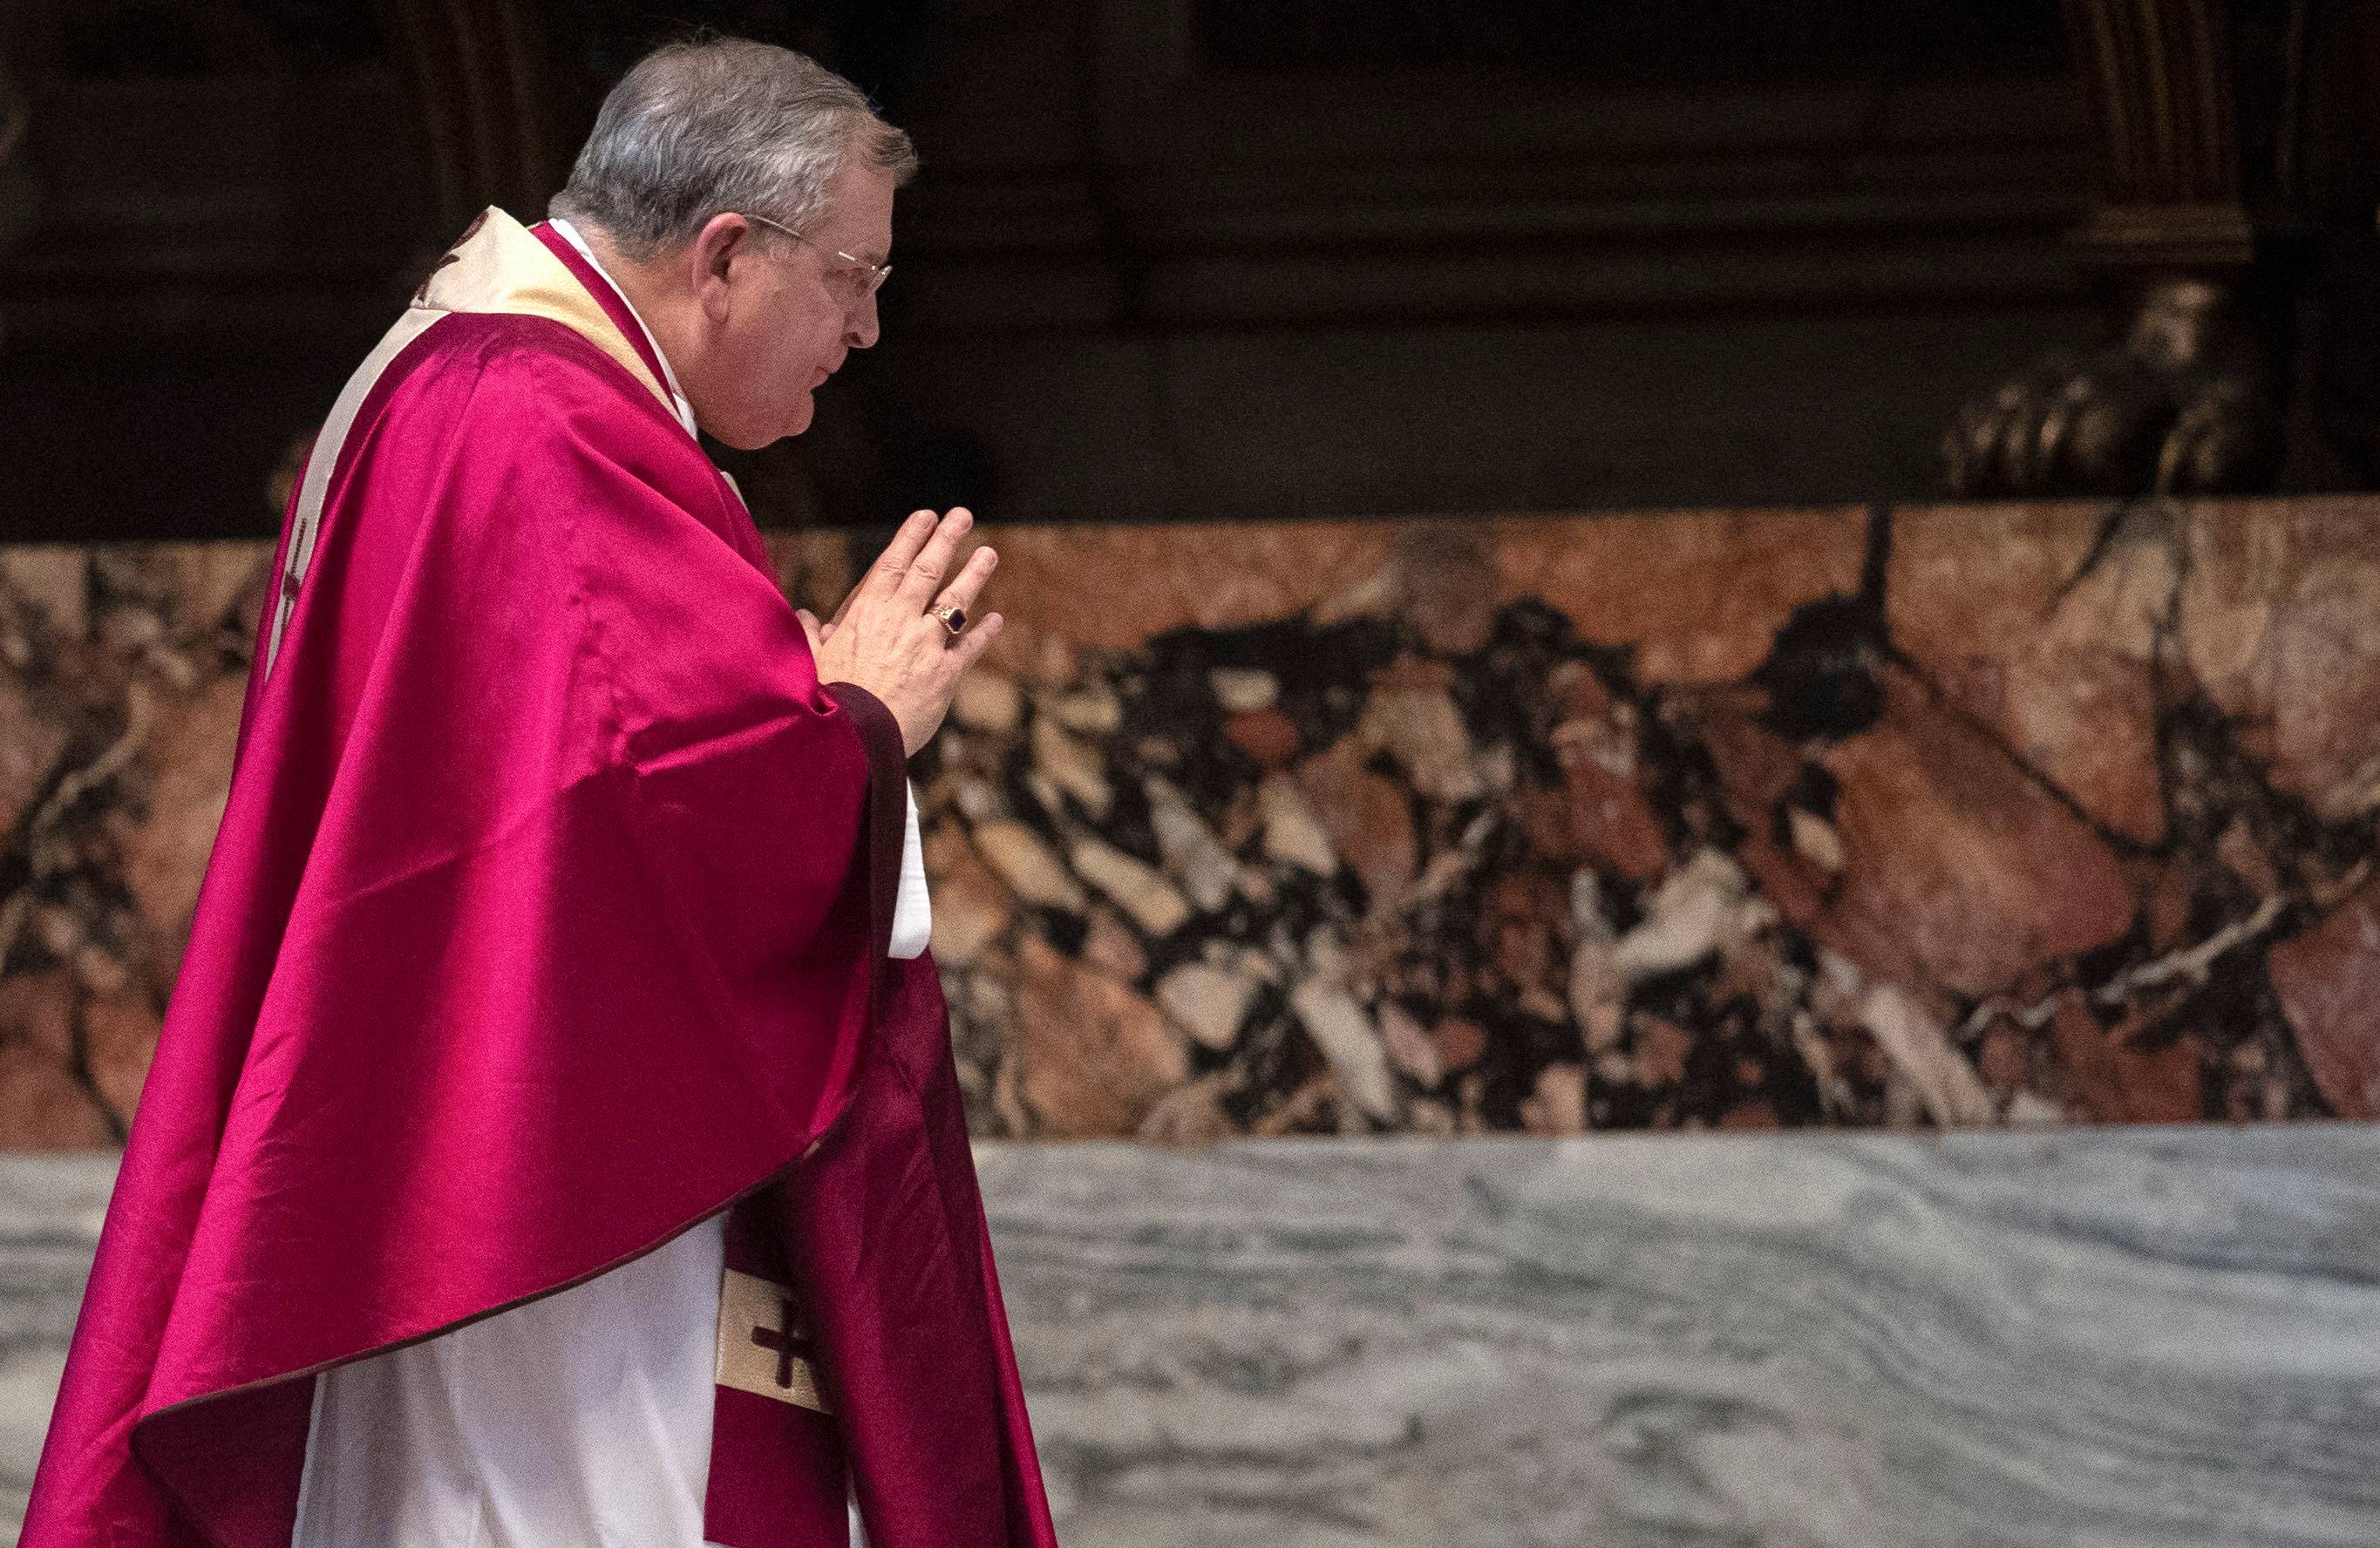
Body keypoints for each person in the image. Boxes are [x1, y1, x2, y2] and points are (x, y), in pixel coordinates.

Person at [19, 36, 1058, 1548]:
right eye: (850, 275)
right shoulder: (540, 415)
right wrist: (858, 719)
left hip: (481, 1135)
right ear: (724, 256)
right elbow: (655, 806)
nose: (868, 328)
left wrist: (799, 705)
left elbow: (570, 764)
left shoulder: (474, 377)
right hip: (546, 1198)